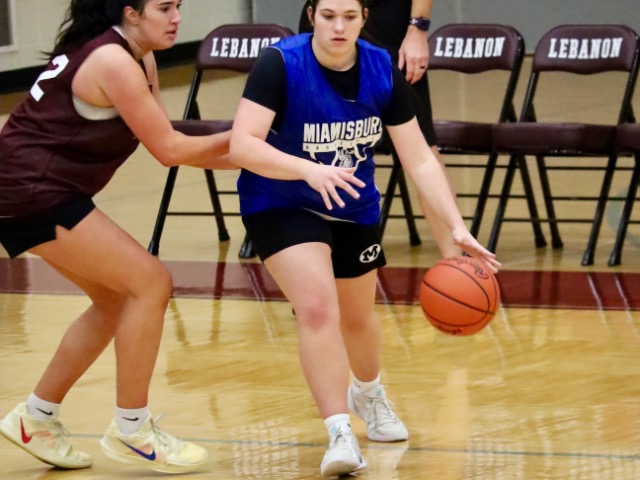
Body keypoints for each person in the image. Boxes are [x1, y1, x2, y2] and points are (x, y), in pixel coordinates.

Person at [229, 0, 501, 476]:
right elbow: (242, 144)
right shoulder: (280, 63)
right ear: (311, 15)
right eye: (329, 15)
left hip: (352, 206)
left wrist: (456, 225)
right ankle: (339, 432)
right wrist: (308, 171)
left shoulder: (380, 68)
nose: (339, 26)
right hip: (280, 201)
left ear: (364, 17)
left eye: (350, 17)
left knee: (357, 316)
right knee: (318, 308)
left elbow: (419, 158)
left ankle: (369, 393)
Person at [0, 0, 233, 474]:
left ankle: (35, 418)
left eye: (179, 6)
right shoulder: (112, 60)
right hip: (31, 189)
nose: (177, 18)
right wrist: (252, 135)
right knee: (150, 282)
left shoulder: (137, 56)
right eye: (164, 7)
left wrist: (268, 158)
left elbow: (167, 140)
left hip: (36, 188)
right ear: (131, 12)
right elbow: (169, 150)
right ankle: (133, 430)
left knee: (115, 299)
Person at [299, 0, 462, 259]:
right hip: (331, 14)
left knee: (420, 146)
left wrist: (418, 27)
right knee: (324, 141)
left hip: (390, 22)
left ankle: (456, 260)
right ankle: (320, 249)